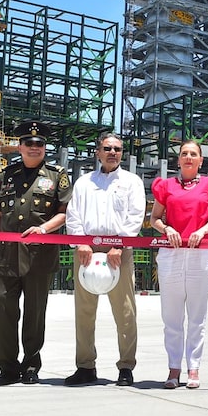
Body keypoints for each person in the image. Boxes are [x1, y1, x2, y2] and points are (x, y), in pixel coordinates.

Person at [0, 121, 71, 386]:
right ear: (20, 146)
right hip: (7, 256)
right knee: (4, 310)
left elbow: (64, 212)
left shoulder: (57, 175)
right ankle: (8, 368)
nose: (34, 148)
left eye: (39, 144)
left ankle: (31, 366)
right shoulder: (6, 175)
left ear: (45, 148)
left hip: (39, 255)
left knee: (35, 313)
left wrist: (44, 229)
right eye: (29, 143)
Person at [64, 132, 146, 387]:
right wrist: (80, 242)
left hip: (118, 251)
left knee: (125, 311)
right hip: (86, 250)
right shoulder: (84, 182)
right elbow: (73, 214)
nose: (113, 152)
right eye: (108, 148)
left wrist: (120, 245)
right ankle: (85, 365)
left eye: (118, 149)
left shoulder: (132, 182)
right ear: (97, 151)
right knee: (84, 311)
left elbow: (136, 214)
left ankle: (126, 366)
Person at [149, 140, 208, 389]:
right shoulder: (166, 186)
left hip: (199, 253)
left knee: (196, 315)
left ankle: (194, 367)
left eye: (193, 154)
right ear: (178, 160)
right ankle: (173, 368)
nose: (189, 158)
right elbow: (154, 218)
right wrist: (167, 228)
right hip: (171, 253)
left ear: (201, 160)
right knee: (171, 315)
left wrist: (202, 231)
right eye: (184, 154)